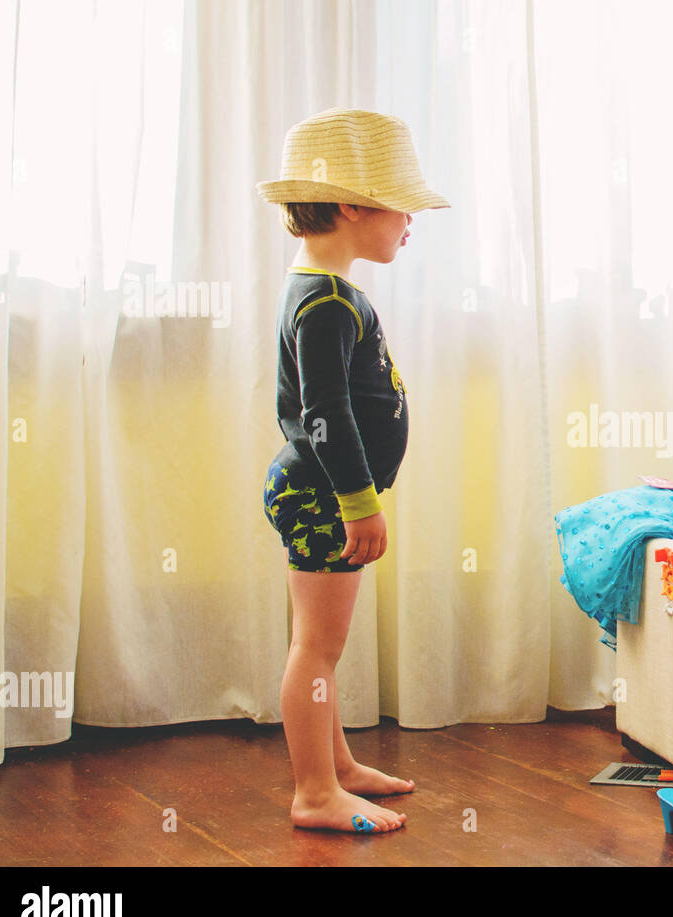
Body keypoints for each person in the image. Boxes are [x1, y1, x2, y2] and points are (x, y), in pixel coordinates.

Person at [256, 108, 449, 833]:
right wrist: (359, 503)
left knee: (320, 644)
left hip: (317, 492)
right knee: (317, 646)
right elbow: (324, 413)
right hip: (321, 495)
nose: (411, 221)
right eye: (403, 205)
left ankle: (335, 767)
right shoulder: (325, 302)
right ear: (350, 205)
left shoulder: (324, 289)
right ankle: (313, 792)